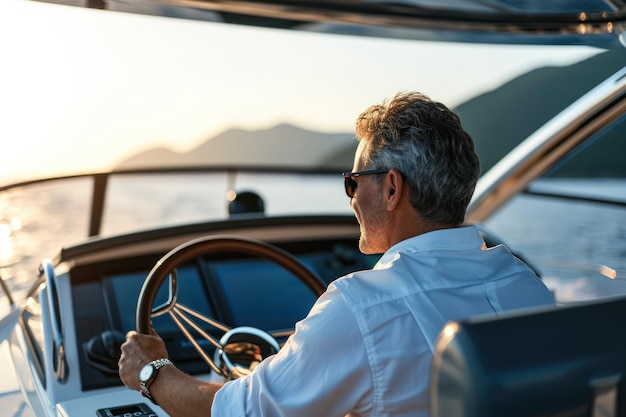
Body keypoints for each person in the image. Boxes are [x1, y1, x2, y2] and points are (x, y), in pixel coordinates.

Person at [119, 91, 555, 417]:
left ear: (390, 188)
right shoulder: (523, 284)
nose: (350, 198)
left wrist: (151, 372)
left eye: (353, 181)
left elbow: (240, 411)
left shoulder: (359, 307)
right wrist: (309, 348)